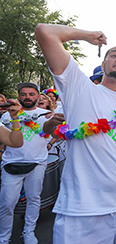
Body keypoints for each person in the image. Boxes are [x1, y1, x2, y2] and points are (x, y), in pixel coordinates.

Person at [34, 24, 116, 243]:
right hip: (82, 211)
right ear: (102, 64)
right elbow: (44, 32)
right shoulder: (79, 89)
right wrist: (87, 36)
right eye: (114, 55)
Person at [0, 82, 52, 244]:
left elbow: (54, 132)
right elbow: (4, 139)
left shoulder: (46, 114)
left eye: (31, 94)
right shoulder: (8, 115)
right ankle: (4, 237)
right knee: (7, 203)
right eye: (23, 94)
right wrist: (1, 152)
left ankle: (29, 231)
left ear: (37, 96)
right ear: (19, 97)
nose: (27, 97)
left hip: (37, 163)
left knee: (34, 199)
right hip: (11, 164)